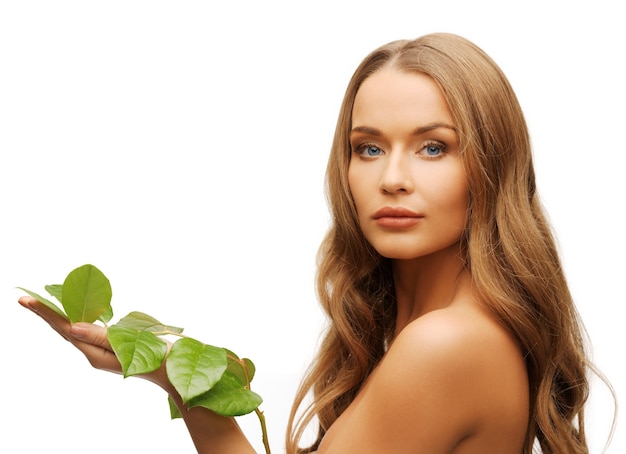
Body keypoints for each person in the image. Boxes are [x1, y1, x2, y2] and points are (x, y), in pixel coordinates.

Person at [18, 32, 612, 453]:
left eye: (434, 146)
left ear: (492, 165)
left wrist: (188, 385)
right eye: (368, 147)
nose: (392, 177)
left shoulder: (447, 343)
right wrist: (177, 373)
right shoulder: (438, 330)